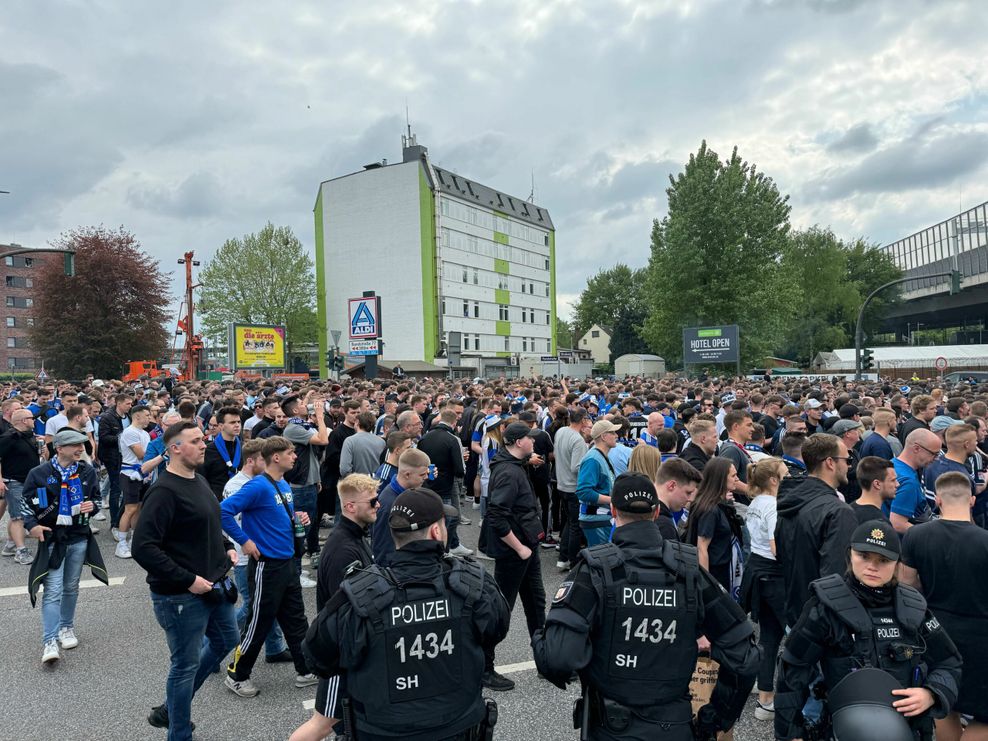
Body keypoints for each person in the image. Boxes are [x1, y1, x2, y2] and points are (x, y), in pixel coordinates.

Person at [532, 472, 760, 741]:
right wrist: (717, 716)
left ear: (613, 511)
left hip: (610, 726)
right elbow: (745, 655)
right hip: (673, 723)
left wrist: (541, 638)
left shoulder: (594, 571)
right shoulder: (689, 573)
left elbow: (558, 658)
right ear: (655, 513)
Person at [302, 488, 509, 741]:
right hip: (456, 729)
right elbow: (496, 628)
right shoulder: (473, 584)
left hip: (383, 732)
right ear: (436, 531)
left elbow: (316, 656)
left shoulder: (359, 594)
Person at [775, 519, 962, 741]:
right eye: (864, 556)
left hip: (908, 730)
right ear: (850, 555)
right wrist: (790, 733)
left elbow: (949, 662)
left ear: (897, 564)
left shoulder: (914, 607)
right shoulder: (825, 607)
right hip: (842, 729)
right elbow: (793, 670)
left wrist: (931, 694)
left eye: (883, 560)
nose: (872, 566)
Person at [132, 421, 240, 740]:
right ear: (175, 449)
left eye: (203, 439)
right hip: (180, 596)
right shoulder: (163, 492)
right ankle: (178, 733)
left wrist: (227, 548)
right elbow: (144, 547)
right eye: (195, 441)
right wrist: (188, 579)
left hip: (213, 586)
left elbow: (209, 523)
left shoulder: (200, 479)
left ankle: (170, 708)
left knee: (226, 639)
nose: (204, 444)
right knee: (184, 666)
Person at [219, 435, 318, 697]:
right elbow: (223, 511)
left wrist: (297, 518)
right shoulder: (257, 486)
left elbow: (275, 515)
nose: (295, 457)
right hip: (267, 565)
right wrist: (245, 541)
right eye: (291, 453)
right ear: (276, 457)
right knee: (258, 622)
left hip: (287, 562)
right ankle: (237, 675)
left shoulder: (282, 483)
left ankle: (306, 669)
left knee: (296, 619)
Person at [900, 471, 988, 741]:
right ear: (972, 500)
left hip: (935, 629)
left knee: (946, 702)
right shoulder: (985, 541)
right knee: (984, 714)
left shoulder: (916, 536)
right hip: (981, 634)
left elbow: (907, 586)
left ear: (937, 500)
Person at [290, 473, 379, 741]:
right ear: (350, 507)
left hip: (352, 651)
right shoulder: (343, 549)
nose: (378, 505)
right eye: (372, 501)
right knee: (322, 724)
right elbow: (343, 609)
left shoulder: (354, 537)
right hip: (341, 654)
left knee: (347, 722)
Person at [23, 428, 105, 664]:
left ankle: (66, 627)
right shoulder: (39, 473)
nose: (81, 448)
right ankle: (49, 640)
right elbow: (25, 502)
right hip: (52, 539)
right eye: (74, 445)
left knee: (71, 587)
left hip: (79, 536)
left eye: (82, 444)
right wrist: (32, 526)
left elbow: (97, 499)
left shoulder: (87, 471)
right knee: (53, 590)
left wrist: (93, 507)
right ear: (59, 449)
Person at [480, 420, 546, 692]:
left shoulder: (514, 462)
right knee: (500, 610)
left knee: (536, 603)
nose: (534, 441)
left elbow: (519, 458)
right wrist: (519, 548)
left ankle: (545, 661)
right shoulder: (508, 472)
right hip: (514, 550)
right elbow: (496, 515)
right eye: (529, 438)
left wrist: (528, 459)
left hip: (527, 545)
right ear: (519, 442)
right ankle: (484, 667)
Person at [775, 432, 859, 628]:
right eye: (847, 459)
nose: (849, 465)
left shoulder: (789, 501)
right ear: (830, 462)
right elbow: (837, 575)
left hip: (797, 611)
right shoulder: (838, 512)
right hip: (825, 623)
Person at [221, 438, 289, 668]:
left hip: (264, 554)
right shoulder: (239, 485)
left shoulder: (267, 481)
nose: (269, 462)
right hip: (244, 556)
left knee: (269, 605)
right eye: (263, 458)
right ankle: (217, 638)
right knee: (253, 606)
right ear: (252, 461)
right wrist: (245, 542)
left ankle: (275, 648)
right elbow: (228, 516)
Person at [738, 457, 788, 722]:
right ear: (773, 480)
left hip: (756, 570)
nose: (789, 477)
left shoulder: (756, 502)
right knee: (787, 634)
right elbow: (775, 546)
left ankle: (764, 688)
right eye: (785, 473)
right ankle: (769, 695)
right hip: (774, 575)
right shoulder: (773, 505)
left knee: (769, 635)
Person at [684, 458, 745, 599]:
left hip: (725, 570)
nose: (737, 479)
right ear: (721, 479)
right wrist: (707, 586)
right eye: (733, 476)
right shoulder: (710, 510)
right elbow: (702, 548)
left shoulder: (720, 504)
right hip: (715, 574)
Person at [416, 407, 470, 556]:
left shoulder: (425, 437)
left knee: (432, 516)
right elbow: (459, 470)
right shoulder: (452, 439)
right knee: (448, 518)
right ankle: (442, 550)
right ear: (454, 423)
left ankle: (448, 545)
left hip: (427, 482)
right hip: (446, 485)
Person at [373, 447, 431, 566]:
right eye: (422, 474)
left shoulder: (408, 492)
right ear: (407, 474)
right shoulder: (389, 504)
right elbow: (382, 549)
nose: (426, 478)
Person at [0, 407, 42, 564]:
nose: (34, 420)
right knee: (18, 516)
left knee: (28, 511)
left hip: (32, 481)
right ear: (24, 421)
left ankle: (11, 544)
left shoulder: (30, 435)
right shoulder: (9, 437)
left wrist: (42, 451)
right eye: (32, 418)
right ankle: (20, 550)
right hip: (14, 481)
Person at [554, 407, 590, 570]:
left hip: (561, 484)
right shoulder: (578, 440)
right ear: (582, 420)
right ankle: (573, 560)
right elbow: (577, 467)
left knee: (569, 522)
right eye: (588, 419)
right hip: (573, 487)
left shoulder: (561, 431)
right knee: (576, 525)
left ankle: (563, 557)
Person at [887, 429, 943, 534]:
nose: (936, 459)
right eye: (933, 454)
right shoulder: (908, 482)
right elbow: (897, 524)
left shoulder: (892, 465)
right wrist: (930, 535)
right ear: (916, 448)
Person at [576, 419, 620, 547]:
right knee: (603, 560)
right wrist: (613, 500)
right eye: (613, 432)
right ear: (604, 437)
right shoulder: (593, 459)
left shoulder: (601, 456)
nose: (617, 435)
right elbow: (583, 492)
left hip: (602, 518)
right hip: (596, 519)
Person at [115, 404, 152, 559]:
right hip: (130, 474)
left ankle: (133, 540)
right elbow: (141, 454)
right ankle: (121, 543)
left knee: (139, 508)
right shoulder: (130, 432)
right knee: (129, 509)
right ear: (137, 416)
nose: (150, 418)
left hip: (143, 473)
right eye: (147, 415)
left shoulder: (145, 433)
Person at [97, 392, 133, 530]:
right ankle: (114, 524)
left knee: (126, 490)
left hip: (126, 457)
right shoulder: (107, 417)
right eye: (127, 404)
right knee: (116, 489)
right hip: (112, 458)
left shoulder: (128, 417)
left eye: (131, 403)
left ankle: (123, 519)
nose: (130, 406)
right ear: (118, 403)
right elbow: (104, 437)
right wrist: (122, 438)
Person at [198, 405, 244, 500]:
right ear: (221, 426)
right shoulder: (208, 450)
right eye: (232, 422)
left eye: (238, 422)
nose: (237, 425)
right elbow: (201, 479)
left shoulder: (244, 448)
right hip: (217, 502)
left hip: (241, 500)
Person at [654, 456, 701, 541]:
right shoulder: (664, 526)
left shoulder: (644, 511)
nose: (690, 499)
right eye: (688, 492)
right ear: (672, 486)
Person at [851, 456, 897, 524]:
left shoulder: (848, 511)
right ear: (877, 484)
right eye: (893, 480)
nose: (897, 484)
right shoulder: (879, 522)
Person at [340, 411, 387, 476]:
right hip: (375, 482)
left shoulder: (350, 441)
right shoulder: (381, 442)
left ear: (357, 422)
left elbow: (344, 470)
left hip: (356, 482)